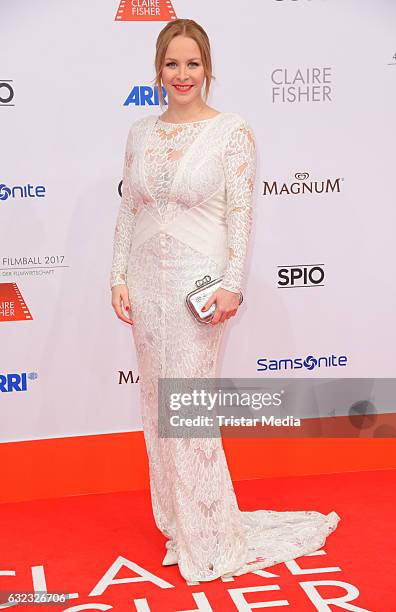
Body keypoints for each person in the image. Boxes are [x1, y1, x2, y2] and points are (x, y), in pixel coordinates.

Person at [110, 18, 340, 583]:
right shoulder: (140, 131)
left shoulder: (231, 131)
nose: (182, 74)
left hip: (200, 290)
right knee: (155, 410)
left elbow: (241, 214)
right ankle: (180, 524)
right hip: (145, 283)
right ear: (157, 70)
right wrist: (117, 275)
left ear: (207, 68)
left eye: (192, 64)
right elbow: (129, 210)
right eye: (172, 64)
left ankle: (211, 534)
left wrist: (233, 283)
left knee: (187, 411)